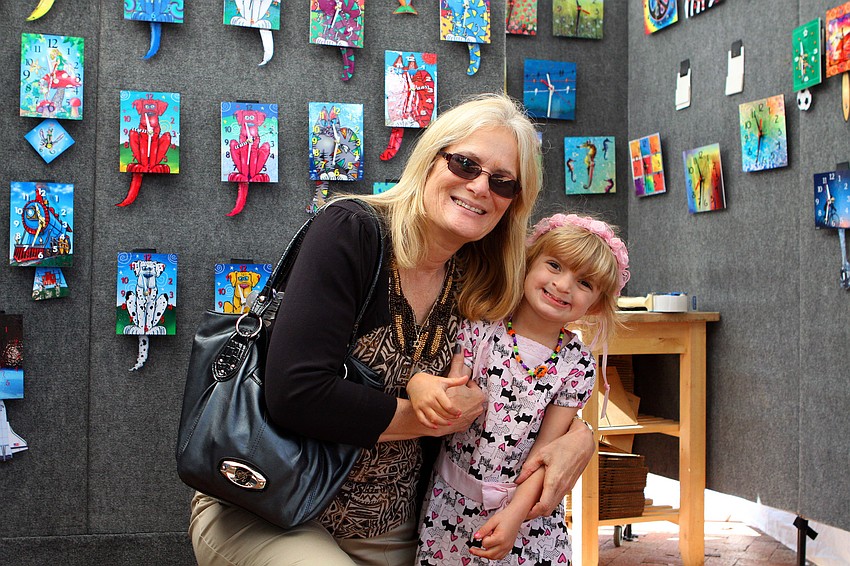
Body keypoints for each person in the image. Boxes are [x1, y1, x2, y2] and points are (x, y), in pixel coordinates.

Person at [188, 93, 596, 566]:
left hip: (402, 524)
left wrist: (579, 437)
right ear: (429, 160)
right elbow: (296, 393)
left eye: (503, 183)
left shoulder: (482, 275)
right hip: (271, 499)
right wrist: (427, 415)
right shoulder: (351, 231)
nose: (481, 187)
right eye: (465, 164)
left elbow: (535, 380)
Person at [410, 213, 630, 565]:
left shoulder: (577, 366)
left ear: (598, 303)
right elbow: (450, 394)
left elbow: (546, 453)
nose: (563, 285)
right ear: (528, 264)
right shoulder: (480, 327)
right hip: (451, 508)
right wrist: (420, 384)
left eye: (584, 283)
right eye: (555, 265)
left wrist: (513, 517)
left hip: (527, 520)